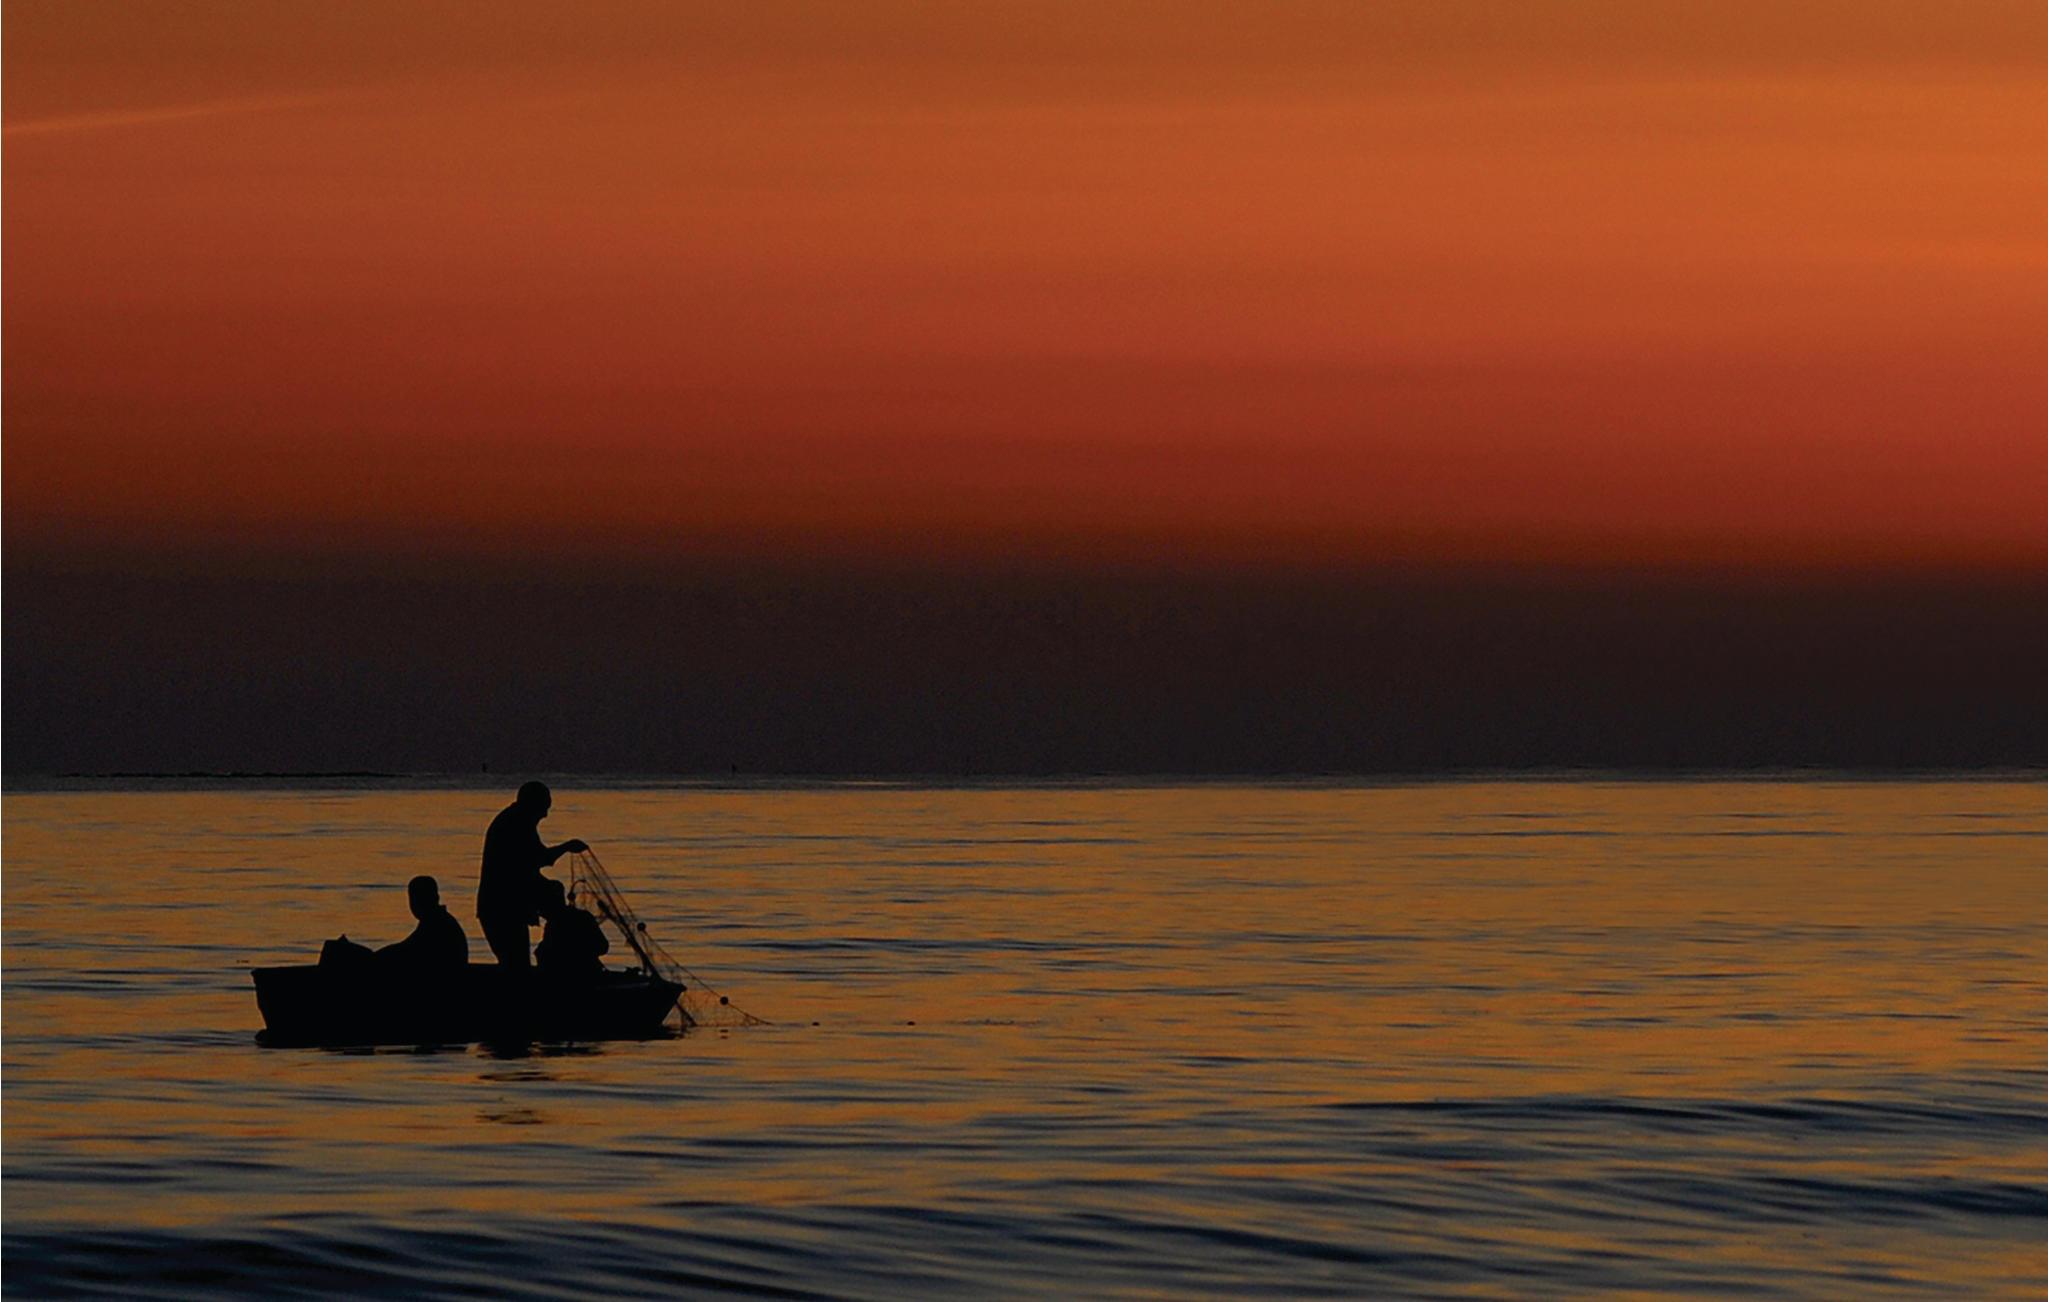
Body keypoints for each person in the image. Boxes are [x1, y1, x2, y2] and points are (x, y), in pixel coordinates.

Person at [477, 781, 587, 967]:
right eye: (543, 809)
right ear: (532, 804)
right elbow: (540, 858)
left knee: (515, 963)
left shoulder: (516, 819)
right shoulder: (516, 823)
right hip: (501, 908)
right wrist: (567, 847)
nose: (545, 815)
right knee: (516, 963)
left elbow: (527, 867)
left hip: (505, 908)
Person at [376, 874, 469, 973]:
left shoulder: (437, 924)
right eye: (414, 899)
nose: (415, 904)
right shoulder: (437, 920)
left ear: (435, 898)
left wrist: (377, 957)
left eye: (420, 898)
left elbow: (407, 949)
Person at [533, 877, 610, 979]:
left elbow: (602, 947)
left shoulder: (556, 924)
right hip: (589, 973)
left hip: (577, 976)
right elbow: (603, 946)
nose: (540, 912)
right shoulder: (583, 916)